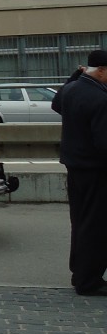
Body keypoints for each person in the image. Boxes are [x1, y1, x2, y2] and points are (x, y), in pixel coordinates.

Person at [52, 49, 107, 296]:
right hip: (96, 170)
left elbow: (56, 103)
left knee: (80, 222)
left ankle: (79, 273)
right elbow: (103, 142)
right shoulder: (101, 99)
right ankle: (88, 280)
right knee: (95, 225)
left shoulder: (73, 89)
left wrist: (75, 74)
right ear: (102, 71)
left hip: (74, 167)